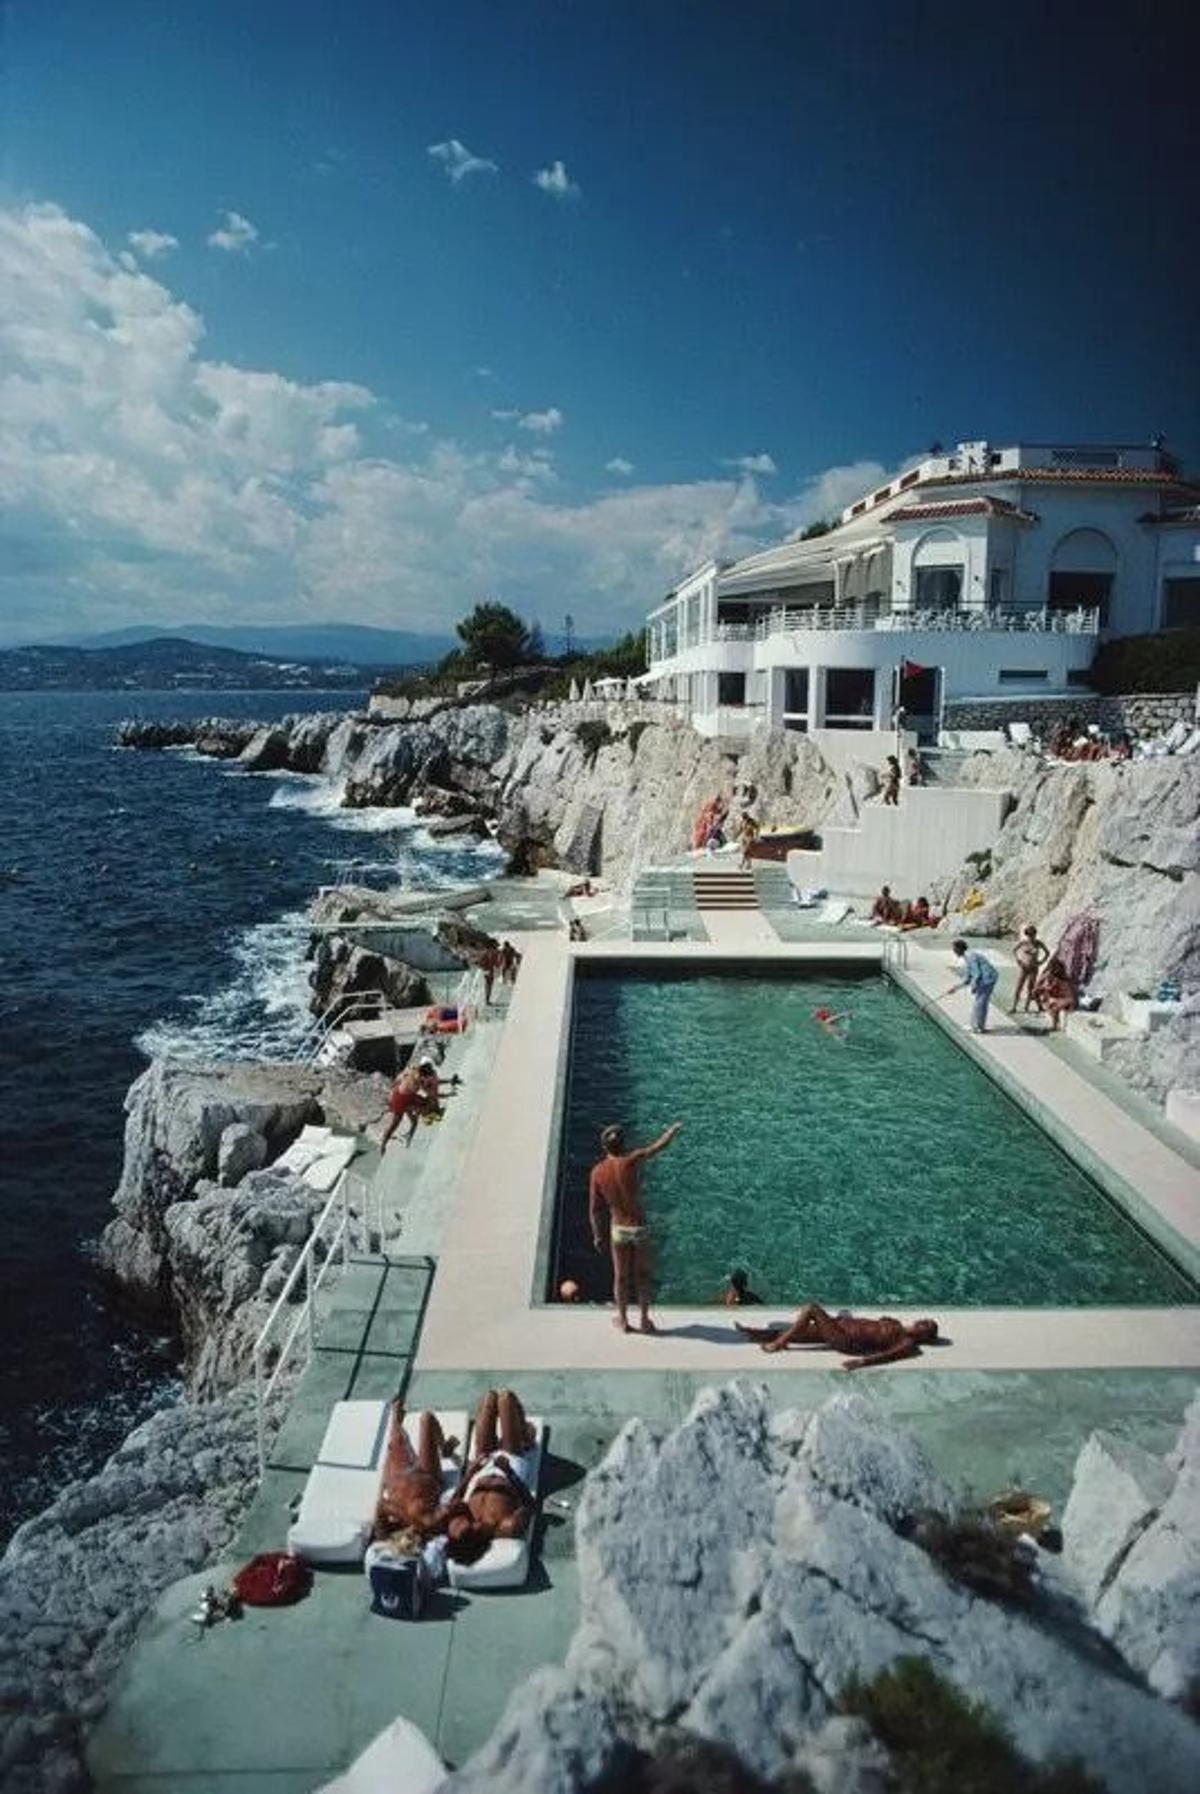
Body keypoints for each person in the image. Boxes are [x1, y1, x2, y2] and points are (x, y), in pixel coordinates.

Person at [589, 1119, 682, 1334]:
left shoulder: (597, 1172)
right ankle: (644, 1320)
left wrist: (597, 1235)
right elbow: (659, 1146)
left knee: (620, 1277)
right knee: (643, 1276)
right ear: (623, 1144)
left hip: (618, 1230)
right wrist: (672, 1130)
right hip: (638, 1228)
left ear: (604, 1147)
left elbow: (594, 1209)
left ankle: (622, 1321)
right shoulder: (632, 1159)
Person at [436, 1388, 538, 1565]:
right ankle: (525, 1437)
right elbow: (531, 1505)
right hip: (510, 1462)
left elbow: (455, 1500)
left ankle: (520, 1433)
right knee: (506, 1398)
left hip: (481, 1466)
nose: (463, 1525)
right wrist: (509, 1472)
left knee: (489, 1398)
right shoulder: (506, 1526)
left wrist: (471, 1472)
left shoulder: (462, 1524)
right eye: (467, 1530)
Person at [736, 1305, 940, 1369]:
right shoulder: (896, 1325)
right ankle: (756, 1334)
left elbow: (889, 1356)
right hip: (840, 1327)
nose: (922, 1321)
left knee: (811, 1309)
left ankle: (779, 1344)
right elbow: (870, 1322)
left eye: (926, 1325)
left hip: (846, 1341)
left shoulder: (908, 1343)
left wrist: (861, 1362)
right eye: (925, 1320)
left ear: (925, 1336)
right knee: (798, 1330)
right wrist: (842, 1320)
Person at [374, 1405, 459, 1536]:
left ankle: (396, 1419)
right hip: (428, 1475)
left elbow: (381, 1506)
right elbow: (455, 1504)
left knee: (397, 1439)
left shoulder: (399, 1526)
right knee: (427, 1418)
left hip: (399, 1477)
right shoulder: (434, 1523)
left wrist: (412, 1522)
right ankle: (444, 1449)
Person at [940, 938, 999, 1034]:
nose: (953, 951)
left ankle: (978, 1027)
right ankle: (977, 1025)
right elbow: (968, 977)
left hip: (987, 979)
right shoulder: (967, 957)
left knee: (980, 1003)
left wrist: (974, 985)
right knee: (980, 1002)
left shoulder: (970, 956)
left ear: (960, 948)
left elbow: (977, 973)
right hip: (985, 979)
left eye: (954, 949)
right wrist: (955, 988)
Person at [380, 1062, 429, 1150]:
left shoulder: (414, 1070)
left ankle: (410, 1133)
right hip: (400, 1100)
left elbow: (403, 1077)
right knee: (395, 1124)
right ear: (422, 1074)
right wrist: (414, 1109)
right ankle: (383, 1145)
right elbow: (419, 1089)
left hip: (403, 1094)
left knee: (419, 1111)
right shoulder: (416, 1081)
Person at [1011, 923, 1048, 1014]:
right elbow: (1014, 950)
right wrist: (1018, 960)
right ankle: (1014, 1007)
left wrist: (1041, 962)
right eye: (1029, 935)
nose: (1030, 937)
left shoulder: (1038, 943)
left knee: (1030, 987)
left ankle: (1026, 1007)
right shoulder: (1023, 942)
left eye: (1032, 935)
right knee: (1019, 987)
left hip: (1033, 968)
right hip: (1024, 967)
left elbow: (1047, 953)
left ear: (1035, 935)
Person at [1034, 955, 1077, 1031]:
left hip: (1068, 999)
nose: (1054, 970)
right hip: (1063, 998)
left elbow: (1050, 988)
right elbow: (1043, 985)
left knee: (1053, 1006)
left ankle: (1054, 1025)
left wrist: (1043, 988)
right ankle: (1054, 1023)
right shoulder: (1053, 975)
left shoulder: (1061, 977)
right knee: (1050, 1003)